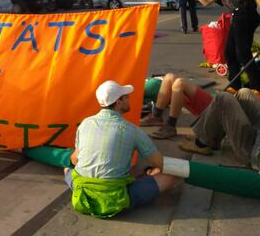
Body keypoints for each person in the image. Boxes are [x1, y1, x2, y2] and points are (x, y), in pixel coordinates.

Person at [64, 80, 179, 218]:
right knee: (172, 175)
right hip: (115, 200)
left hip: (82, 196)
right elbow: (161, 163)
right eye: (125, 96)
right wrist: (180, 167)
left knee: (67, 169)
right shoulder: (131, 130)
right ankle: (146, 176)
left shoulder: (85, 123)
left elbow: (75, 159)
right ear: (118, 102)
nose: (129, 98)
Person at [183, 0, 260, 92]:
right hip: (237, 16)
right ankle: (235, 85)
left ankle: (259, 85)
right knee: (229, 53)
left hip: (245, 12)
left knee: (242, 52)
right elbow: (205, 2)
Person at [179, 89, 260, 173]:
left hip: (259, 151)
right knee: (244, 93)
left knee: (223, 99)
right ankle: (210, 135)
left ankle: (201, 144)